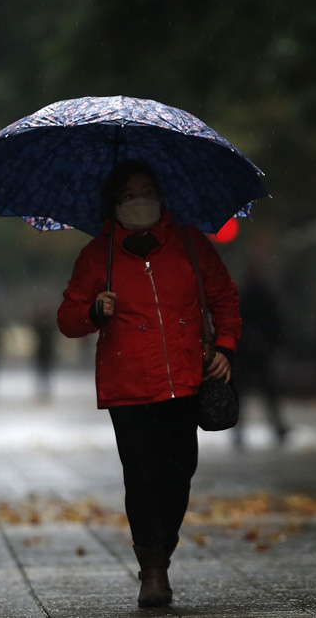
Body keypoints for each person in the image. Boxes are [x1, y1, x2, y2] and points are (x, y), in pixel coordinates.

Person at [56, 161, 240, 608]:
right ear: (114, 204)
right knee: (141, 476)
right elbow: (67, 320)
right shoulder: (97, 256)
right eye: (129, 194)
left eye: (146, 190)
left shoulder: (191, 245)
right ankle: (153, 572)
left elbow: (224, 298)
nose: (140, 200)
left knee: (178, 475)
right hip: (129, 386)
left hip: (185, 378)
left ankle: (160, 550)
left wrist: (226, 348)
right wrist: (94, 313)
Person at [232, 268, 288, 449]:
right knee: (264, 392)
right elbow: (275, 324)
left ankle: (239, 430)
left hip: (251, 352)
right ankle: (275, 427)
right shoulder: (261, 297)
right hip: (254, 352)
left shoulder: (246, 297)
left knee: (248, 392)